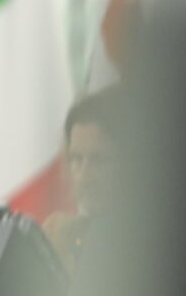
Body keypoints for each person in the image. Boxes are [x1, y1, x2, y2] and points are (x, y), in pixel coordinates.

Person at [42, 86, 124, 278]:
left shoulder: (143, 239)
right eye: (77, 160)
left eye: (97, 160)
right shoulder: (58, 232)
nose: (84, 174)